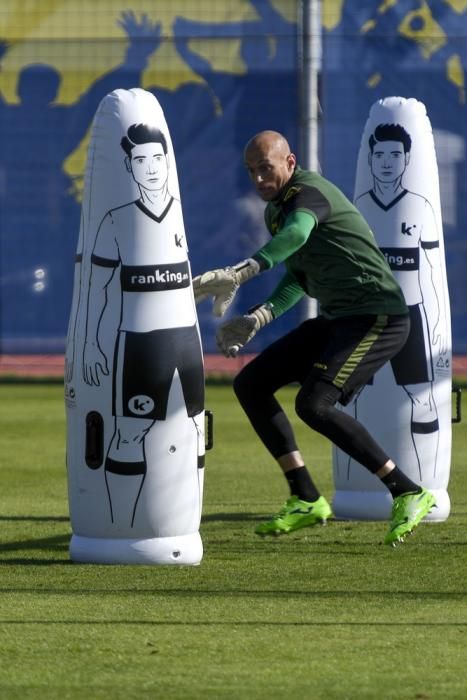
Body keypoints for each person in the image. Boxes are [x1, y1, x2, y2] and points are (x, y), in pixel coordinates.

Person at [193, 130, 436, 546]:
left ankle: (408, 491)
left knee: (314, 404)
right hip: (339, 319)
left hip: (378, 316)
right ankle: (305, 497)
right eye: (250, 171)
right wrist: (259, 317)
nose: (257, 179)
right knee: (250, 384)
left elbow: (297, 237)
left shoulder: (308, 194)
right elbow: (299, 273)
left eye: (265, 168)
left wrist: (242, 271)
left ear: (289, 163)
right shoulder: (276, 209)